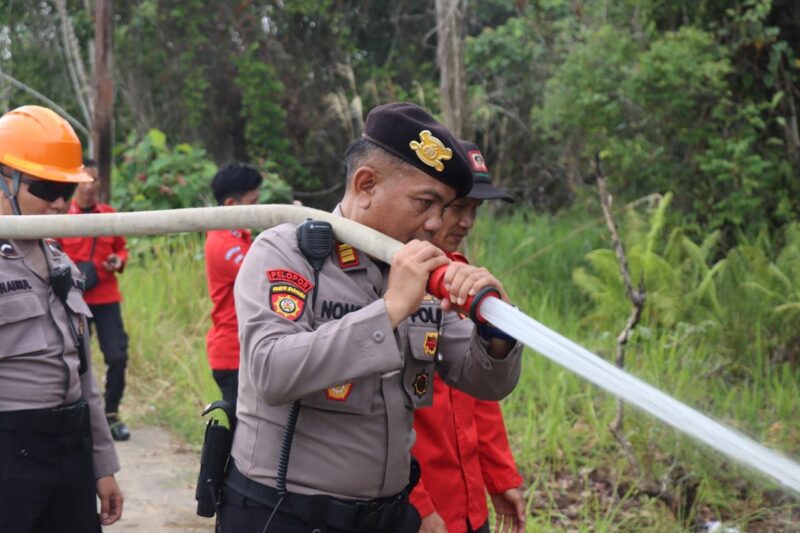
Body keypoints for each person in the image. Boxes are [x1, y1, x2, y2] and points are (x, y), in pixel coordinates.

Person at [217, 102, 523, 533]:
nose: (437, 224)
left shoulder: (425, 271)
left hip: (386, 517)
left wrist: (496, 333)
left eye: (445, 208)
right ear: (366, 185)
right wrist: (391, 309)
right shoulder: (288, 252)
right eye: (426, 203)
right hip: (284, 514)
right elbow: (271, 371)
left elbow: (484, 383)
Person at [0, 105, 123, 531]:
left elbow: (83, 376)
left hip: (70, 450)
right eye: (47, 187)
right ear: (3, 180)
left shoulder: (60, 264)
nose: (58, 203)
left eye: (66, 191)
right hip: (10, 453)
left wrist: (102, 466)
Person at [412, 141, 526, 533]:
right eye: (458, 207)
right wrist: (418, 508)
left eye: (474, 210)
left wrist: (500, 477)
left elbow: (481, 393)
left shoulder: (463, 278)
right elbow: (375, 423)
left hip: (466, 506)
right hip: (417, 511)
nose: (467, 222)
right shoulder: (386, 286)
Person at [58, 159, 132, 441]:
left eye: (94, 180)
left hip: (107, 297)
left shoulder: (109, 215)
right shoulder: (63, 215)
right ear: (75, 183)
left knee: (117, 355)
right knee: (74, 359)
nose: (89, 186)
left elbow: (122, 249)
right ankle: (78, 416)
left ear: (100, 183)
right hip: (75, 299)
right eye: (83, 180)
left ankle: (111, 414)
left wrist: (118, 260)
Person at [205, 162, 263, 411]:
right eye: (253, 203)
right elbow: (266, 277)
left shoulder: (236, 235)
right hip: (232, 355)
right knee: (238, 436)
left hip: (241, 350)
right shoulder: (224, 243)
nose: (258, 210)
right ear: (231, 205)